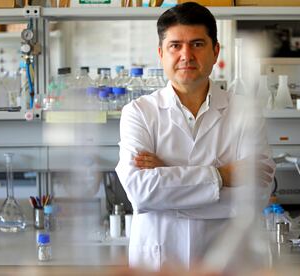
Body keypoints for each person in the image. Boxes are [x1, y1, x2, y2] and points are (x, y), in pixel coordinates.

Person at [115, 2, 275, 271]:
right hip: (158, 261)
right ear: (161, 54)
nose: (186, 55)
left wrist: (168, 176)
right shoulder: (138, 112)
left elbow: (257, 194)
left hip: (226, 261)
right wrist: (222, 176)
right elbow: (141, 193)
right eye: (175, 45)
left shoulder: (245, 112)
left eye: (197, 44)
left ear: (215, 51)